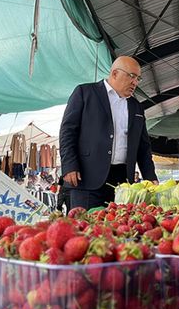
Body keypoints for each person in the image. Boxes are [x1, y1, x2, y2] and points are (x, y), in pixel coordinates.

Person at [60, 56, 158, 209]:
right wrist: (69, 165)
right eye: (132, 76)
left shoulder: (136, 107)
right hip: (86, 177)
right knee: (85, 228)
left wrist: (151, 177)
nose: (135, 83)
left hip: (122, 183)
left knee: (117, 227)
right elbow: (67, 132)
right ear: (114, 74)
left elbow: (143, 147)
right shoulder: (85, 93)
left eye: (138, 78)